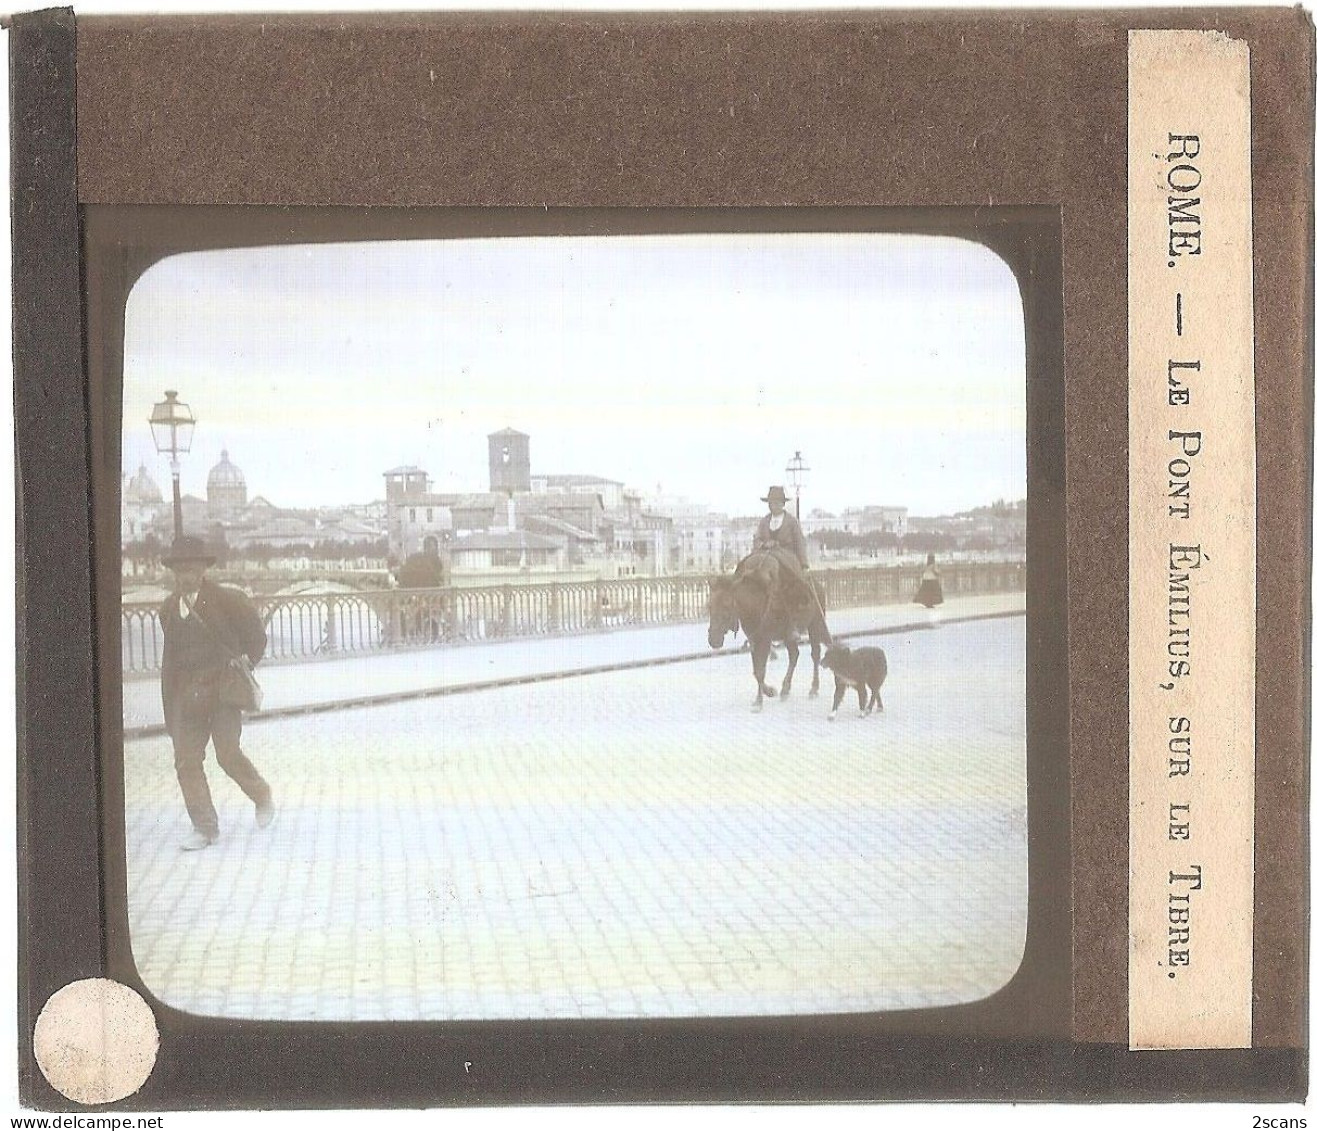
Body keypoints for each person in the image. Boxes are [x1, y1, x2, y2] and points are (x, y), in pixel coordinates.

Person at [158, 534, 274, 851]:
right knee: (186, 762)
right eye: (180, 570)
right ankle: (205, 827)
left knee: (227, 754)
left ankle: (261, 794)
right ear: (173, 572)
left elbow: (256, 637)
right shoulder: (167, 609)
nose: (186, 576)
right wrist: (173, 706)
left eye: (192, 568)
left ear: (202, 569)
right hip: (188, 697)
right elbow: (171, 659)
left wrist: (248, 662)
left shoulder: (227, 599)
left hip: (223, 692)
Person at [748, 485, 814, 617]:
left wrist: (804, 564)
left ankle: (792, 615)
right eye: (771, 503)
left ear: (782, 504)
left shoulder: (791, 522)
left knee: (789, 580)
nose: (774, 506)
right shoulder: (764, 521)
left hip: (787, 558)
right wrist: (764, 544)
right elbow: (756, 540)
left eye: (777, 503)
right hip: (767, 556)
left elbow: (800, 542)